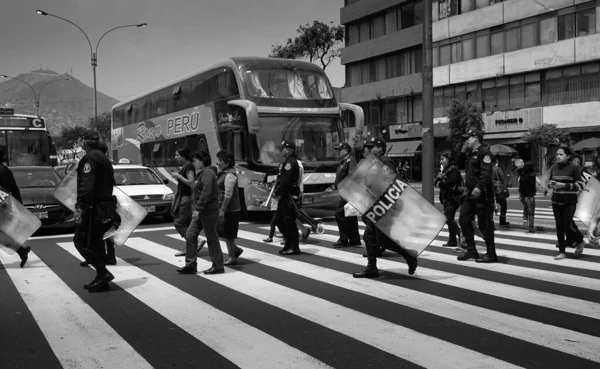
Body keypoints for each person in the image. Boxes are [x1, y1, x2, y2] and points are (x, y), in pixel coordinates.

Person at [353, 137, 418, 278]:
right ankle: (371, 268)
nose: (368, 150)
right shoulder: (370, 163)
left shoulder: (385, 162)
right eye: (367, 147)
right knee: (369, 236)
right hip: (375, 206)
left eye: (371, 147)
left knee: (382, 239)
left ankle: (409, 255)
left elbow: (391, 183)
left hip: (386, 206)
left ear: (380, 148)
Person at [73, 130, 118, 292]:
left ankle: (102, 272)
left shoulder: (90, 158)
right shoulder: (104, 158)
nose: (80, 143)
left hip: (92, 208)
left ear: (85, 142)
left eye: (81, 140)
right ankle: (102, 280)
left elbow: (87, 186)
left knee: (80, 240)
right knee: (97, 242)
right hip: (104, 207)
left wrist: (80, 207)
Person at [177, 151, 223, 275]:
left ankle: (218, 265)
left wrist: (198, 209)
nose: (194, 163)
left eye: (195, 161)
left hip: (208, 211)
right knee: (191, 234)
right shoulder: (201, 174)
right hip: (199, 211)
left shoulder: (208, 173)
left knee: (211, 238)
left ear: (202, 161)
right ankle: (191, 264)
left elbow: (206, 192)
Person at [457, 128, 497, 263]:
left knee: (484, 225)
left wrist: (479, 187)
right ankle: (471, 251)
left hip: (482, 194)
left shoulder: (484, 153)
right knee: (463, 220)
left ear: (476, 138)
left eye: (469, 138)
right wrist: (463, 151)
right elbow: (459, 165)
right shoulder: (470, 154)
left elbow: (486, 173)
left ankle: (491, 253)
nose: (467, 140)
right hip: (470, 194)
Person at [80, 141, 117, 267]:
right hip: (107, 205)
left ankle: (98, 263)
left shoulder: (94, 160)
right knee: (105, 232)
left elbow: (88, 185)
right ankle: (107, 258)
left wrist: (81, 204)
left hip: (97, 205)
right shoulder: (106, 162)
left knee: (91, 237)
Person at [548, 145, 586, 260]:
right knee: (559, 226)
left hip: (569, 201)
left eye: (561, 154)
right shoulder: (554, 167)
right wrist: (551, 184)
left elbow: (580, 185)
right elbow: (550, 181)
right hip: (556, 200)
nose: (558, 157)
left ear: (568, 156)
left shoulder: (574, 168)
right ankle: (562, 252)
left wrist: (564, 185)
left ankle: (579, 240)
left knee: (567, 224)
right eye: (557, 155)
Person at [0, 147, 31, 268]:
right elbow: (15, 189)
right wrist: (20, 207)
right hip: (5, 206)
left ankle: (21, 251)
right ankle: (21, 251)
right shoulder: (7, 171)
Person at [215, 150, 244, 265]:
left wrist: (222, 210)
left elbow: (228, 194)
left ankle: (232, 257)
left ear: (227, 162)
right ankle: (235, 250)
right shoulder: (224, 172)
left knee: (229, 234)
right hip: (225, 208)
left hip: (230, 209)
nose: (218, 163)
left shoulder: (229, 175)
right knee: (223, 231)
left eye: (220, 161)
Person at [274, 140, 302, 255]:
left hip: (288, 196)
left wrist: (278, 191)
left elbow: (285, 181)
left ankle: (294, 246)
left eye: (284, 149)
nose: (282, 151)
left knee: (289, 221)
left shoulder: (291, 162)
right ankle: (288, 243)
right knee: (280, 220)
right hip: (285, 195)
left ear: (289, 149)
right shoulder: (287, 161)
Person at [332, 142, 361, 248]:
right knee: (349, 216)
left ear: (345, 150)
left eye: (339, 150)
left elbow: (352, 177)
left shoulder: (350, 161)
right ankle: (354, 239)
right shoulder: (343, 161)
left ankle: (344, 239)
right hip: (345, 191)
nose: (338, 152)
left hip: (348, 192)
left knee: (339, 215)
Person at [171, 148, 197, 257]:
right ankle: (190, 248)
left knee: (179, 222)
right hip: (184, 197)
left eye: (177, 155)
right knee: (187, 223)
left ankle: (197, 241)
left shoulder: (189, 166)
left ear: (184, 156)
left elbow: (191, 183)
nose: (175, 157)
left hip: (186, 198)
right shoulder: (186, 166)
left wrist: (178, 176)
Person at [435, 150, 462, 249]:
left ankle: (462, 237)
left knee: (447, 218)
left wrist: (440, 183)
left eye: (442, 159)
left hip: (453, 197)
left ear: (449, 158)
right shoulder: (445, 169)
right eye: (440, 159)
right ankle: (452, 240)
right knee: (449, 217)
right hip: (447, 197)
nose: (440, 161)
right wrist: (438, 180)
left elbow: (452, 182)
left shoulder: (453, 169)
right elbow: (437, 181)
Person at [518, 161, 537, 234]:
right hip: (530, 196)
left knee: (525, 207)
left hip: (523, 195)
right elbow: (534, 186)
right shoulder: (533, 176)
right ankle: (531, 227)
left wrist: (520, 194)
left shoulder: (522, 175)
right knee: (531, 212)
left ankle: (525, 219)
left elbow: (520, 186)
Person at [492, 158, 510, 227]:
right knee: (503, 204)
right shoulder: (497, 169)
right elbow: (502, 178)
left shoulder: (486, 169)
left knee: (490, 206)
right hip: (497, 189)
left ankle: (491, 222)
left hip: (489, 189)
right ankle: (502, 220)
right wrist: (504, 185)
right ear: (495, 162)